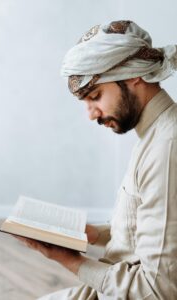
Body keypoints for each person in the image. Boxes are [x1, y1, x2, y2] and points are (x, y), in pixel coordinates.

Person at [15, 20, 177, 299]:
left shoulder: (167, 148)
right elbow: (142, 235)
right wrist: (95, 234)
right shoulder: (152, 136)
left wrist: (69, 260)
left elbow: (157, 289)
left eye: (96, 96)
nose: (91, 114)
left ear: (133, 76)